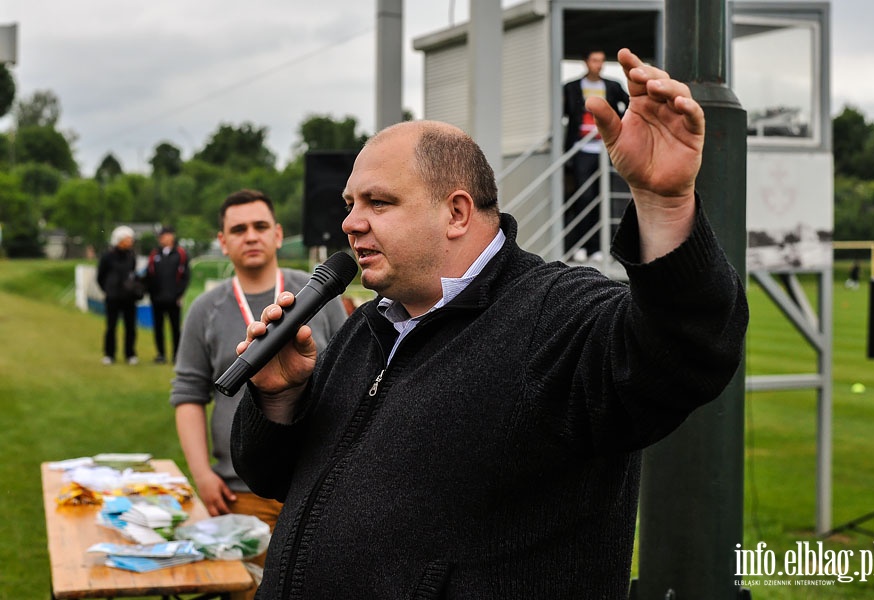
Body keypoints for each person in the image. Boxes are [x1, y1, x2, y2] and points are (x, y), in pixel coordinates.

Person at [231, 48, 749, 598]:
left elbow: (683, 354)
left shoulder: (554, 313)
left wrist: (665, 206)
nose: (350, 222)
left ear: (456, 212)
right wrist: (281, 401)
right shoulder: (368, 330)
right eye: (350, 202)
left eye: (379, 203)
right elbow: (276, 481)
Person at [169, 190, 348, 583]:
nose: (251, 236)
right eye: (238, 229)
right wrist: (201, 474)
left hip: (317, 488)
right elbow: (188, 394)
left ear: (278, 234)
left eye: (260, 226)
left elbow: (348, 378)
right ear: (223, 241)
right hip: (238, 493)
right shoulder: (205, 309)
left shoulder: (320, 293)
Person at [563, 47, 630, 260]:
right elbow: (563, 114)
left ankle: (599, 248)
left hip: (607, 150)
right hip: (582, 150)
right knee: (584, 197)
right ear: (586, 62)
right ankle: (581, 246)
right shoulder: (572, 87)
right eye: (594, 60)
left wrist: (620, 126)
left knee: (605, 199)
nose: (598, 65)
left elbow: (630, 105)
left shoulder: (612, 86)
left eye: (601, 61)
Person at [96, 225, 141, 365]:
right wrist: (108, 290)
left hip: (128, 297)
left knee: (130, 327)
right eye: (128, 239)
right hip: (113, 297)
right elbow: (100, 276)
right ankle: (109, 354)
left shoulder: (131, 256)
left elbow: (132, 273)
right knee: (111, 326)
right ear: (119, 240)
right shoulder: (107, 256)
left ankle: (130, 354)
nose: (130, 241)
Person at [145, 226, 190, 364]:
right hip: (157, 298)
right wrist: (150, 292)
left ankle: (176, 355)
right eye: (160, 236)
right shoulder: (154, 254)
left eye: (165, 235)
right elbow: (149, 275)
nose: (162, 239)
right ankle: (161, 354)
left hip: (173, 299)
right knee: (158, 328)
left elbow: (185, 277)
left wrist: (179, 294)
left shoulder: (181, 254)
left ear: (171, 236)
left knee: (175, 328)